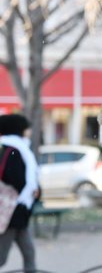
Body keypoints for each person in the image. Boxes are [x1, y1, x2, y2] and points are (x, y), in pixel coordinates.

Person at [0, 114, 39, 272]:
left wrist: (36, 191)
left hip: (19, 212)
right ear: (18, 129)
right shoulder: (11, 150)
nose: (28, 131)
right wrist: (32, 191)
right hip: (11, 212)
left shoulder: (15, 148)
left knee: (29, 252)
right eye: (26, 128)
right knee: (1, 257)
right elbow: (16, 179)